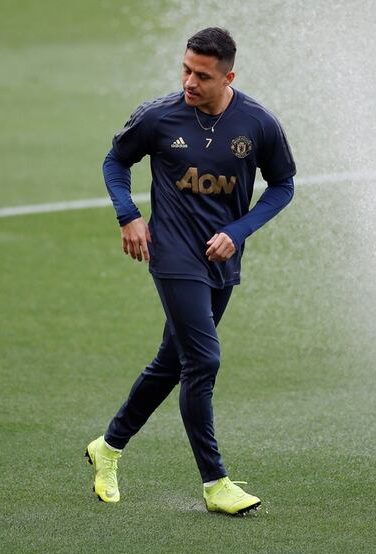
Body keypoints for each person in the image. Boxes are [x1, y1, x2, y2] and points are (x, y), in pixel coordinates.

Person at [87, 27, 296, 515]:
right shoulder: (159, 116)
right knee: (203, 361)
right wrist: (129, 215)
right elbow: (115, 161)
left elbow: (283, 185)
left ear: (229, 76)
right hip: (173, 255)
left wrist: (239, 230)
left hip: (221, 259)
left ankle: (108, 447)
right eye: (185, 69)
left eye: (202, 75)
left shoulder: (258, 124)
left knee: (170, 363)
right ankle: (215, 482)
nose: (189, 81)